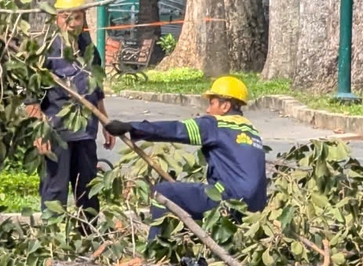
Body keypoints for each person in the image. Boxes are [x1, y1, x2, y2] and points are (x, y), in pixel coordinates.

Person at [103, 75, 269, 232]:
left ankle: (154, 248)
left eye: (212, 104)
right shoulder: (252, 130)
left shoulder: (215, 125)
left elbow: (176, 130)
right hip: (255, 208)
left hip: (228, 200)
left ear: (225, 106)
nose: (208, 109)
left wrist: (132, 127)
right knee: (191, 197)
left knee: (163, 192)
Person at [27, 0, 111, 217]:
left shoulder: (88, 47)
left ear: (84, 17)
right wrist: (40, 131)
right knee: (54, 189)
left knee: (88, 191)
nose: (72, 23)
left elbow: (96, 87)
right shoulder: (47, 49)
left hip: (86, 132)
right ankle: (52, 241)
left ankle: (89, 240)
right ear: (57, 18)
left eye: (77, 17)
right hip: (56, 133)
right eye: (67, 17)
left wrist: (106, 122)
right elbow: (31, 97)